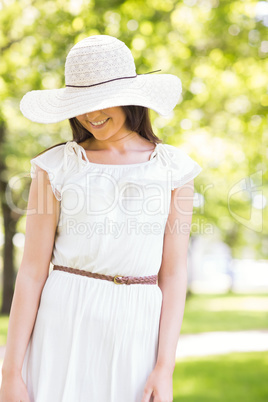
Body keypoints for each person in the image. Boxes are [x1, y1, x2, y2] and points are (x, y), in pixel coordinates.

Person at [0, 35, 202, 402]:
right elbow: (31, 272)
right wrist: (10, 374)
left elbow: (173, 274)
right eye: (81, 105)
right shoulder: (55, 167)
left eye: (101, 102)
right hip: (62, 321)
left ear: (130, 99)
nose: (91, 115)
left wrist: (164, 368)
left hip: (136, 327)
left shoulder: (174, 169)